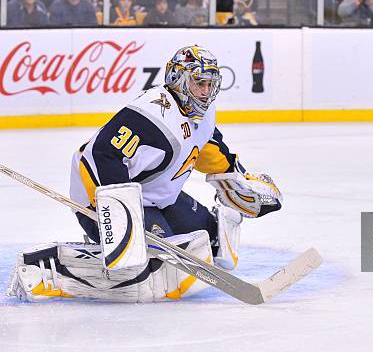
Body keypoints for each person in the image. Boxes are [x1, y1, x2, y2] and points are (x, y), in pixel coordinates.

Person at [6, 46, 282, 302]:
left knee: (209, 239)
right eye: (199, 83)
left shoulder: (203, 114)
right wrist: (119, 213)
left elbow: (211, 152)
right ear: (178, 79)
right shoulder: (152, 114)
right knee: (153, 260)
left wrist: (240, 184)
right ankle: (48, 267)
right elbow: (101, 154)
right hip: (101, 197)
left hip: (156, 195)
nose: (205, 92)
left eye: (210, 84)